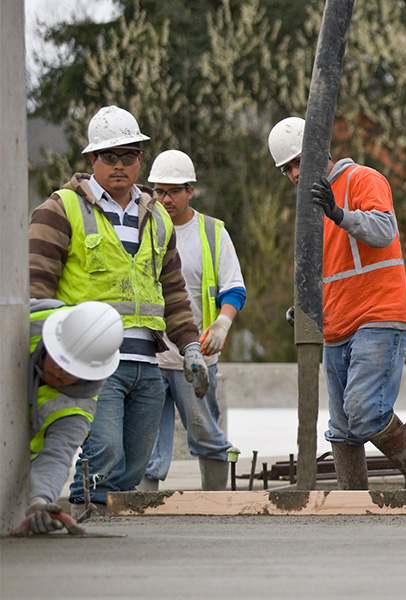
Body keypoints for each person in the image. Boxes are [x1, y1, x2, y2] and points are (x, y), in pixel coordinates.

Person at [29, 106, 207, 512]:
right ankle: (79, 512)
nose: (120, 165)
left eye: (129, 156)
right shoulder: (61, 209)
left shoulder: (157, 216)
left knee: (135, 466)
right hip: (93, 361)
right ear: (92, 159)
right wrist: (44, 356)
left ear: (140, 159)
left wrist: (190, 346)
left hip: (148, 362)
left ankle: (107, 524)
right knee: (104, 453)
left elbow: (174, 291)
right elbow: (35, 290)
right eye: (109, 157)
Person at [268, 117, 406, 490]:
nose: (296, 174)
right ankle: (353, 502)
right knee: (343, 428)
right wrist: (303, 304)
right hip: (336, 326)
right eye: (288, 169)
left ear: (321, 152)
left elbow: (383, 231)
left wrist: (338, 213)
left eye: (300, 162)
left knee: (364, 411)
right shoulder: (310, 208)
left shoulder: (363, 179)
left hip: (378, 315)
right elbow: (323, 268)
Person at [140, 150, 246, 492]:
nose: (165, 199)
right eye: (158, 191)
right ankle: (143, 504)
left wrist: (222, 324)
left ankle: (214, 502)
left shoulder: (212, 232)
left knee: (205, 431)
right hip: (150, 353)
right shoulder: (144, 227)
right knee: (146, 439)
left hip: (195, 356)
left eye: (173, 191)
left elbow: (233, 288)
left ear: (191, 191)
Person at [10, 300, 123, 535]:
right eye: (59, 360)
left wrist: (39, 501)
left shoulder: (76, 410)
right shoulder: (29, 318)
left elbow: (56, 457)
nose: (59, 373)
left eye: (73, 371)